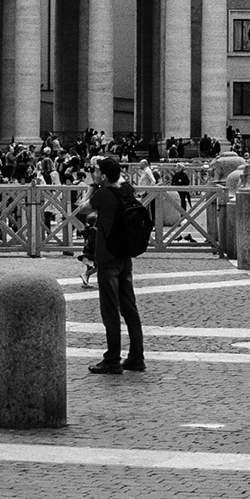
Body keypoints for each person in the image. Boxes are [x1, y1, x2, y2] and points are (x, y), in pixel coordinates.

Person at [86, 154, 146, 374]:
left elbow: (81, 208)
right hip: (125, 256)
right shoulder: (127, 190)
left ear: (102, 174)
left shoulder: (103, 194)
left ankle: (112, 359)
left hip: (107, 256)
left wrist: (92, 187)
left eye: (96, 171)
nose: (93, 174)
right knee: (130, 308)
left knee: (110, 310)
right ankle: (136, 357)